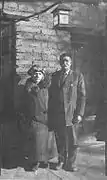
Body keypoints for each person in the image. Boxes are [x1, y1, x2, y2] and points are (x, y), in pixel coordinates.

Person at [48, 52, 86, 172]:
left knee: (73, 141)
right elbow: (51, 96)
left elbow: (82, 96)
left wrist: (80, 113)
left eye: (67, 61)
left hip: (71, 114)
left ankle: (71, 163)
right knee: (60, 140)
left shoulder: (77, 76)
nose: (65, 63)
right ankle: (61, 160)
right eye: (63, 61)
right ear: (60, 63)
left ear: (71, 63)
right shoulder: (55, 76)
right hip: (58, 114)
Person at [24, 65, 49, 172]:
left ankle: (44, 160)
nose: (37, 76)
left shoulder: (47, 87)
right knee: (35, 141)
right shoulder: (28, 87)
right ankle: (35, 161)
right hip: (33, 117)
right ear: (31, 75)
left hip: (45, 117)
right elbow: (25, 103)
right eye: (35, 74)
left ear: (43, 76)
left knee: (45, 141)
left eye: (39, 74)